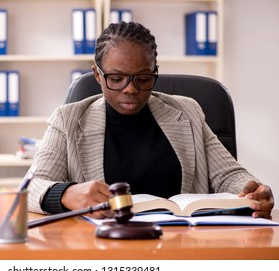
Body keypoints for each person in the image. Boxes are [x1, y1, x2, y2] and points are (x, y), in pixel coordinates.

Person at [27, 21, 274, 219]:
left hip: (187, 244)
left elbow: (228, 175)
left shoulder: (187, 112)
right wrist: (66, 194)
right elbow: (31, 187)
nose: (130, 89)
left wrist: (253, 191)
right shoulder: (68, 119)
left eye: (143, 78)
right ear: (97, 75)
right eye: (117, 78)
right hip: (104, 247)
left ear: (155, 72)